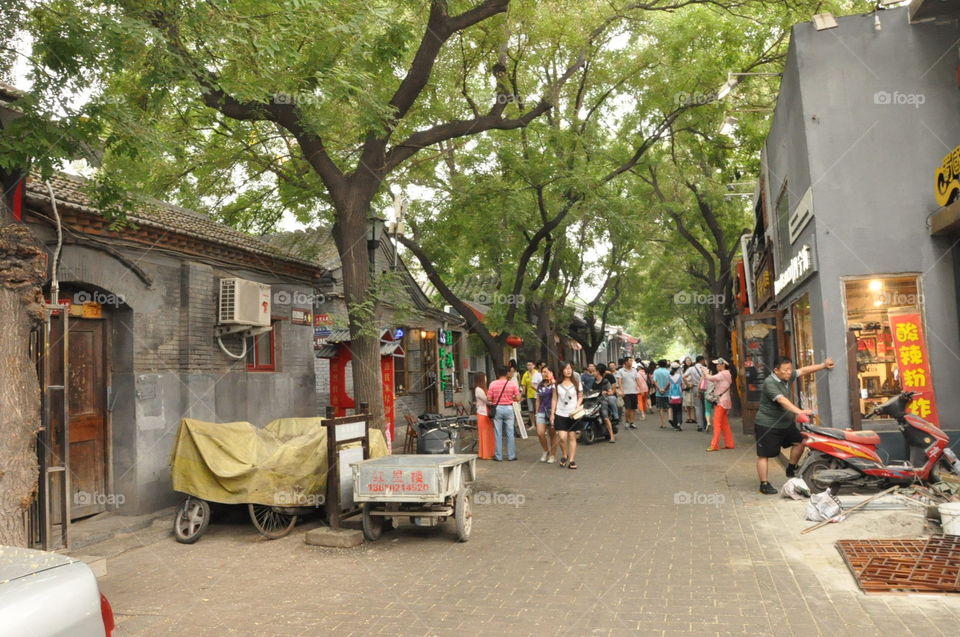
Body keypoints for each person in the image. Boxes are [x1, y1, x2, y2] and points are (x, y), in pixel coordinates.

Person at [755, 355, 834, 494]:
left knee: (800, 442)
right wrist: (800, 411)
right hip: (767, 424)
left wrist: (823, 365)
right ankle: (764, 484)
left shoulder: (787, 376)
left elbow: (803, 371)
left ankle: (791, 468)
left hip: (785, 423)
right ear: (776, 370)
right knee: (764, 455)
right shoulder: (770, 383)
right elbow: (782, 400)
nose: (788, 372)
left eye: (790, 369)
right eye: (785, 370)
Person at [551, 361, 583, 470]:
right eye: (566, 368)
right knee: (562, 438)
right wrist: (552, 413)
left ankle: (572, 460)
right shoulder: (556, 384)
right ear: (562, 370)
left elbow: (580, 396)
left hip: (572, 414)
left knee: (572, 436)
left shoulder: (577, 383)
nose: (568, 371)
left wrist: (577, 406)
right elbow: (554, 398)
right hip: (560, 413)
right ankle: (565, 455)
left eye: (570, 368)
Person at [487, 365, 522, 461]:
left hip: (497, 409)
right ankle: (511, 455)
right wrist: (511, 398)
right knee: (510, 432)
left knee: (498, 433)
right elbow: (518, 398)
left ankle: (498, 456)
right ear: (507, 373)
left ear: (498, 373)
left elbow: (489, 398)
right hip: (509, 408)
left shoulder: (493, 384)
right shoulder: (512, 384)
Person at [704, 358, 734, 452]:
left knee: (716, 424)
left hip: (721, 401)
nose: (716, 366)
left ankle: (714, 445)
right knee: (725, 424)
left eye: (718, 364)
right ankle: (729, 443)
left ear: (722, 365)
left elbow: (710, 378)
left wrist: (705, 372)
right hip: (725, 400)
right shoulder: (727, 373)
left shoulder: (722, 374)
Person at [534, 368, 559, 463]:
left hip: (552, 411)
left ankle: (553, 455)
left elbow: (555, 397)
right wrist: (536, 412)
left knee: (552, 434)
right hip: (541, 410)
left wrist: (553, 383)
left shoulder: (554, 384)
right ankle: (545, 450)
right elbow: (538, 400)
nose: (544, 374)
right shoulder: (540, 385)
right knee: (540, 433)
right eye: (543, 372)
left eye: (546, 372)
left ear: (551, 372)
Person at [474, 373, 496, 460]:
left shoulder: (481, 389)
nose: (486, 379)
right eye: (485, 377)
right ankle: (485, 454)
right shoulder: (479, 389)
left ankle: (489, 452)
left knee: (488, 433)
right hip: (482, 413)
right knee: (485, 434)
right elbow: (487, 401)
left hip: (485, 412)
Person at [615, 357, 641, 429]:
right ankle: (627, 421)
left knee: (633, 408)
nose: (631, 362)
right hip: (626, 392)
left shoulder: (634, 370)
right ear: (626, 362)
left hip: (634, 392)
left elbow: (637, 380)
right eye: (630, 361)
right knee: (627, 408)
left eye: (632, 361)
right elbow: (619, 381)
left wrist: (641, 388)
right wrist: (622, 390)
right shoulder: (621, 371)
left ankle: (632, 422)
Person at [592, 365, 616, 443]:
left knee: (605, 417)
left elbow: (611, 392)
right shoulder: (594, 381)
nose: (593, 373)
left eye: (594, 371)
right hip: (594, 402)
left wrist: (606, 392)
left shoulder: (605, 381)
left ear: (598, 372)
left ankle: (612, 436)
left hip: (603, 401)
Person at [520, 361, 541, 430]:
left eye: (530, 365)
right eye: (527, 365)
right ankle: (533, 425)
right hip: (529, 395)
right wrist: (523, 395)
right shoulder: (525, 374)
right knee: (531, 410)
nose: (529, 366)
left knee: (538, 410)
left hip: (537, 394)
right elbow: (524, 386)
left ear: (534, 365)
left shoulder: (537, 373)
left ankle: (539, 425)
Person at [690, 356, 708, 431]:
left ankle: (699, 425)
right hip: (705, 388)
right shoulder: (705, 369)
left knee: (697, 407)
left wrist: (688, 385)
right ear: (701, 360)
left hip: (695, 387)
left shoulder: (691, 368)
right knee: (706, 406)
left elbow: (684, 376)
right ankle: (706, 423)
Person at [652, 359, 672, 429]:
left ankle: (662, 423)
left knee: (660, 408)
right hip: (668, 392)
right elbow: (670, 382)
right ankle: (669, 417)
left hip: (658, 393)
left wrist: (660, 388)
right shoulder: (668, 371)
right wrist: (665, 388)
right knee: (669, 406)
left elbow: (654, 381)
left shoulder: (656, 371)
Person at [667, 362, 684, 431]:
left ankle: (675, 424)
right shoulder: (680, 376)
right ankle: (679, 423)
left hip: (671, 395)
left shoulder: (669, 376)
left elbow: (669, 384)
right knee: (679, 410)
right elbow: (682, 385)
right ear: (678, 368)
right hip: (679, 394)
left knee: (674, 410)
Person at [681, 358, 697, 424]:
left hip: (692, 387)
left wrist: (691, 384)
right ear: (685, 362)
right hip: (686, 388)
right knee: (687, 403)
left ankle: (694, 418)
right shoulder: (682, 369)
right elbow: (682, 378)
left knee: (693, 404)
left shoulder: (693, 368)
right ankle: (689, 417)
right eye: (687, 361)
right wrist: (686, 384)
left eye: (689, 360)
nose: (688, 362)